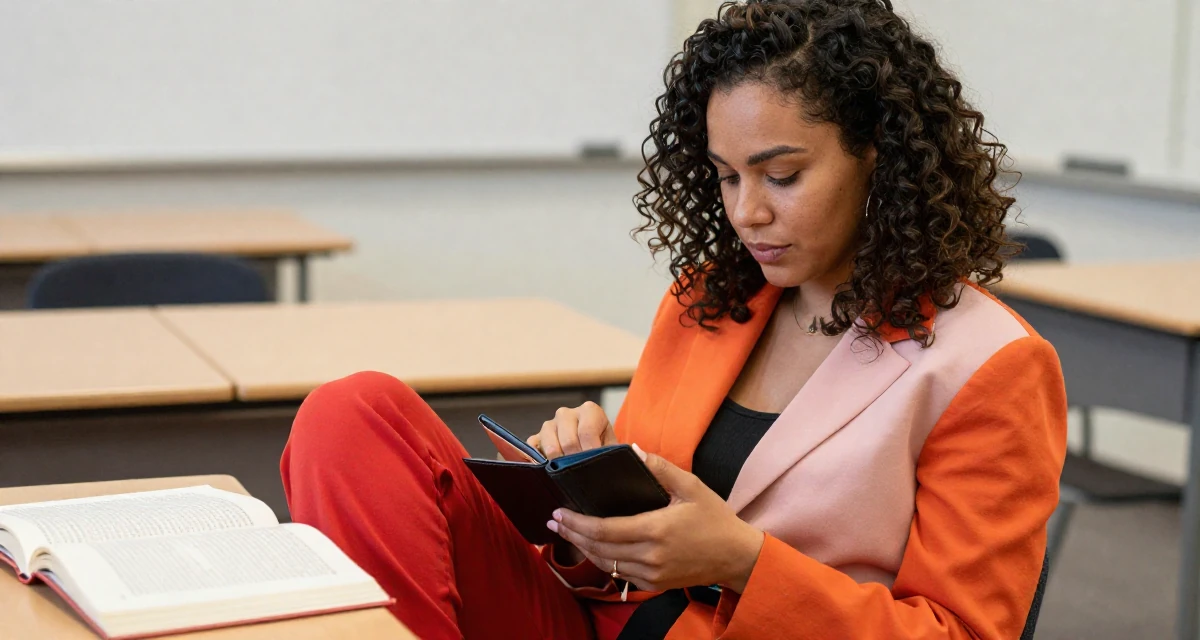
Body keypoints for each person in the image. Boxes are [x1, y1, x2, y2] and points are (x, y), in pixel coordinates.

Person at [279, 1, 1067, 638]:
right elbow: (622, 563)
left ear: (880, 157)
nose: (747, 213)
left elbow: (959, 634)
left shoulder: (989, 365)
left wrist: (742, 563)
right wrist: (582, 504)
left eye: (782, 175)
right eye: (726, 177)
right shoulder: (708, 300)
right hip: (611, 625)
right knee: (353, 412)